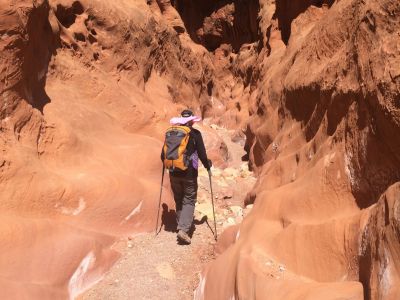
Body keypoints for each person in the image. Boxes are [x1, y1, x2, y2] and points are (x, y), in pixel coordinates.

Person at [161, 109, 212, 244]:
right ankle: (183, 229)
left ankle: (181, 224)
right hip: (189, 173)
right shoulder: (195, 134)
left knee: (178, 198)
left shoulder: (171, 133)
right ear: (191, 121)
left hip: (173, 172)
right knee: (189, 199)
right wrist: (208, 165)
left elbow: (163, 155)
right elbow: (202, 154)